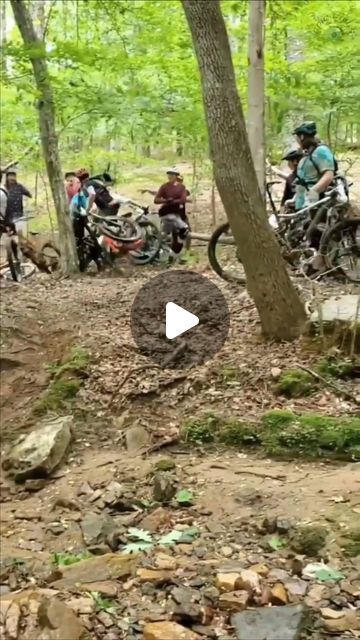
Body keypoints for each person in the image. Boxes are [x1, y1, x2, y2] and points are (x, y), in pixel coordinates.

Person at [293, 122, 336, 211]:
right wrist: (294, 199)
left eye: (297, 138)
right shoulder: (307, 154)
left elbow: (328, 175)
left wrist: (314, 191)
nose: (297, 142)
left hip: (317, 204)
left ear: (302, 137)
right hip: (302, 204)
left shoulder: (321, 151)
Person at [154, 168, 188, 255]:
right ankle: (160, 251)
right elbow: (156, 200)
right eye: (169, 175)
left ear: (176, 177)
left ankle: (179, 249)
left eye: (172, 175)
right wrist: (166, 201)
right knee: (169, 231)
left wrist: (173, 201)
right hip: (167, 212)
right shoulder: (164, 186)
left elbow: (183, 199)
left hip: (178, 212)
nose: (170, 177)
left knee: (181, 230)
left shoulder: (181, 187)